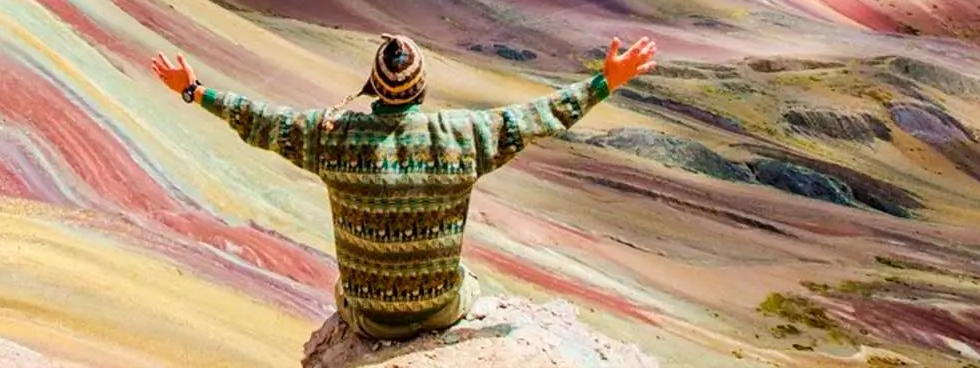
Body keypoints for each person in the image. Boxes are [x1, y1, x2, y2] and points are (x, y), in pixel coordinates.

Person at [149, 32, 658, 341]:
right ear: (421, 89)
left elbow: (260, 118)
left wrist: (193, 90)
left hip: (366, 316)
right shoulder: (463, 137)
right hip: (441, 310)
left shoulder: (332, 138)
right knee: (470, 280)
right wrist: (604, 82)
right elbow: (537, 117)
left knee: (343, 289)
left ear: (372, 87)